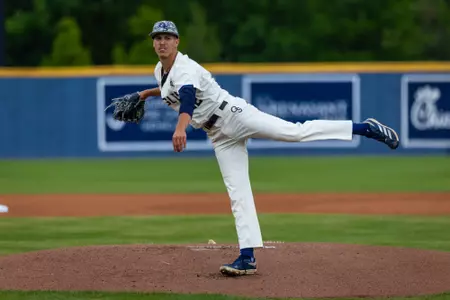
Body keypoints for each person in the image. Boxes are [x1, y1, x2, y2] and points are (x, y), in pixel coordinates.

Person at [113, 20, 399, 276]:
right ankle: (247, 257)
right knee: (238, 191)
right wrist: (143, 94)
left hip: (234, 115)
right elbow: (168, 89)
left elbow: (186, 96)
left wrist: (180, 128)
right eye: (157, 37)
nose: (161, 42)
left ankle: (364, 128)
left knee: (294, 133)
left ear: (177, 42)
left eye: (167, 37)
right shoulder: (159, 70)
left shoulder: (185, 66)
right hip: (218, 135)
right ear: (153, 42)